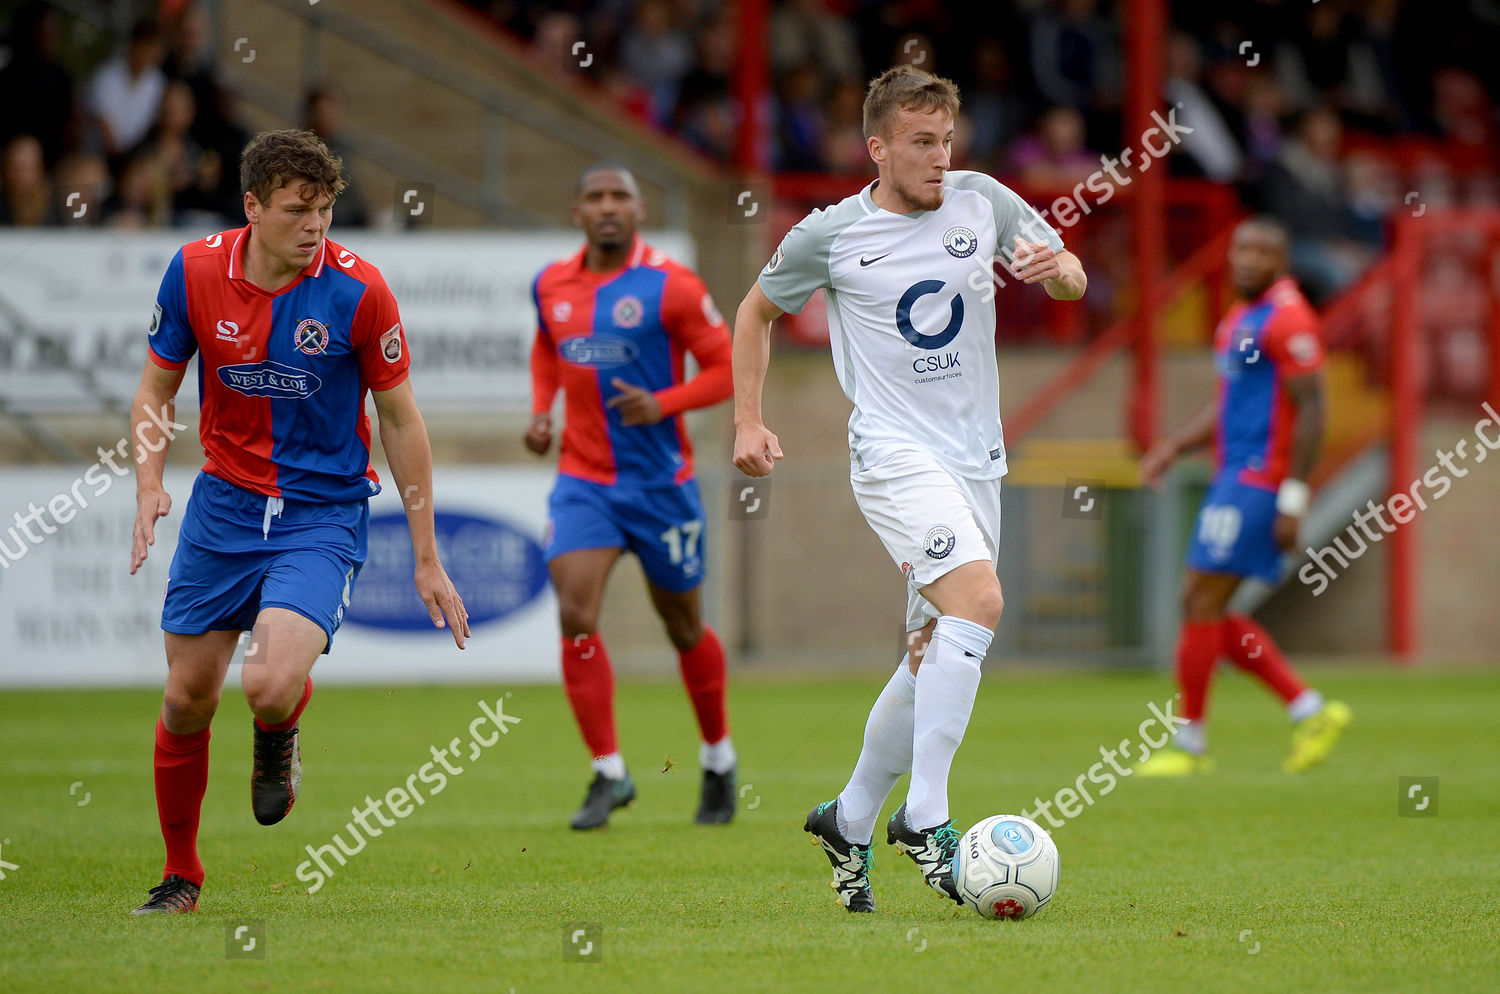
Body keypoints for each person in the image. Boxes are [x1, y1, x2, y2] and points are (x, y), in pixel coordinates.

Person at [731, 66, 1087, 913]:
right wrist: (747, 420)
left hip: (975, 460)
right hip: (893, 452)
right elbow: (754, 312)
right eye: (921, 143)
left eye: (947, 141)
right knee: (980, 599)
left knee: (932, 653)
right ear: (878, 147)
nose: (939, 158)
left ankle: (850, 817)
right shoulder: (830, 234)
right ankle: (927, 817)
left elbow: (1071, 272)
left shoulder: (983, 201)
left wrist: (1055, 269)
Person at [128, 129, 469, 914]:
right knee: (186, 697)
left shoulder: (359, 290)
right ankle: (183, 876)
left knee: (270, 682)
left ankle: (278, 733)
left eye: (323, 209)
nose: (314, 225)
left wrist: (425, 555)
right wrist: (148, 480)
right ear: (252, 208)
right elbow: (155, 391)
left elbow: (402, 420)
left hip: (322, 513)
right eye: (295, 210)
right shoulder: (193, 270)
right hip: (223, 507)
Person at [526, 163, 736, 829]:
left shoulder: (671, 286)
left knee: (683, 626)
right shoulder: (551, 284)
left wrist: (664, 403)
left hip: (659, 486)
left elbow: (728, 367)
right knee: (574, 611)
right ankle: (609, 773)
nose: (608, 207)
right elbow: (544, 347)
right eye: (596, 197)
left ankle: (718, 757)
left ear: (640, 209)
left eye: (620, 196)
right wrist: (541, 409)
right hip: (584, 481)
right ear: (577, 211)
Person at [1137, 215, 1351, 777]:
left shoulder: (1289, 318)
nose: (1248, 259)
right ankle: (1309, 710)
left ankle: (1193, 745)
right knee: (1206, 606)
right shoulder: (1239, 317)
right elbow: (1227, 404)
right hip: (1233, 476)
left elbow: (1315, 409)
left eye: (1262, 250)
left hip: (1262, 480)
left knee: (1197, 600)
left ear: (1282, 260)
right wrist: (1173, 446)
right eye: (1241, 249)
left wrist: (1294, 499)